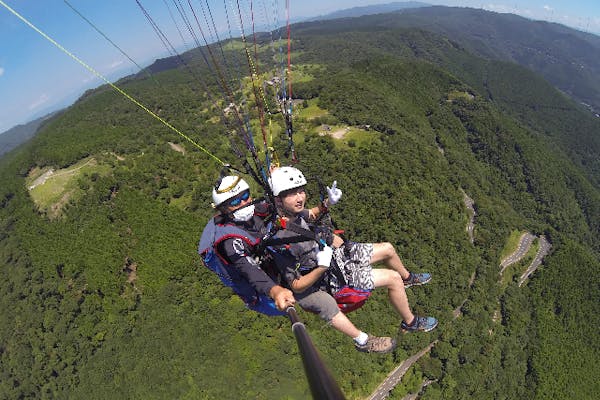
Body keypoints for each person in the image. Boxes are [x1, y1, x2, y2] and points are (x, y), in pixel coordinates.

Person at [268, 166, 438, 353]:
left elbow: (312, 213)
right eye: (292, 194)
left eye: (301, 191)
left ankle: (408, 279)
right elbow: (297, 285)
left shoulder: (293, 213)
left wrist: (327, 203)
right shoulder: (280, 238)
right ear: (278, 199)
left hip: (334, 258)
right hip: (328, 275)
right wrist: (322, 267)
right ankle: (410, 322)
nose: (300, 198)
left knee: (388, 248)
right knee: (392, 278)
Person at [198, 175, 295, 313]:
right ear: (224, 209)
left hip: (266, 259)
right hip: (264, 297)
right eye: (235, 201)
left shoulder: (251, 210)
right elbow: (249, 270)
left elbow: (274, 205)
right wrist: (275, 291)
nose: (244, 203)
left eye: (245, 195)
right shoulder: (230, 243)